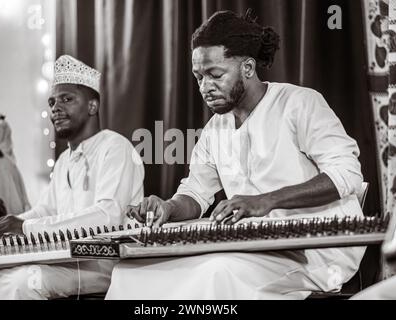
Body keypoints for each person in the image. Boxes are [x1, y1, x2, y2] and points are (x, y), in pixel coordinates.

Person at [105, 10, 366, 300]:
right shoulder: (214, 129)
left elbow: (347, 175)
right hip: (253, 248)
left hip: (318, 252)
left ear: (248, 68)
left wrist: (266, 201)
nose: (205, 87)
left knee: (216, 272)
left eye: (215, 74)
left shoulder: (299, 103)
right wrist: (167, 208)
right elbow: (195, 193)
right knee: (132, 273)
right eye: (198, 76)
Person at [0, 55, 144, 299]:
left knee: (25, 281)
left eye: (67, 99)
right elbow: (46, 209)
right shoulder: (65, 159)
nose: (55, 108)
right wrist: (0, 228)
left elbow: (109, 215)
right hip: (62, 260)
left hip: (104, 264)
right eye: (52, 102)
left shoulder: (115, 147)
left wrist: (26, 227)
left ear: (92, 106)